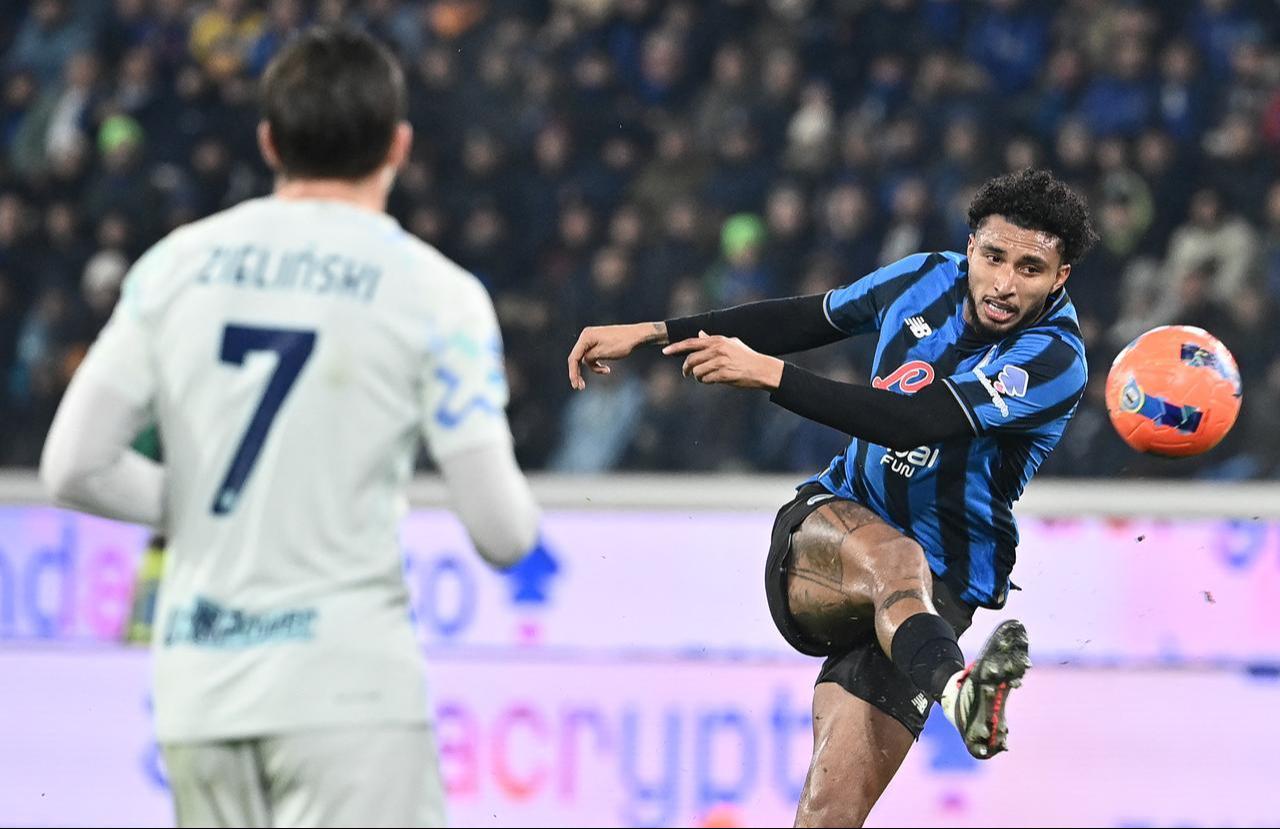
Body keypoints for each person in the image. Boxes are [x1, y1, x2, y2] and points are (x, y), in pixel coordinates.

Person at [40, 26, 540, 828]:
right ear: (399, 145)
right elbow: (503, 531)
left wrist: (201, 504)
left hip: (199, 690)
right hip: (346, 691)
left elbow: (71, 466)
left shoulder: (177, 264)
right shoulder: (435, 292)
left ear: (269, 140)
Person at [568, 168, 1097, 827]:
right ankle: (960, 691)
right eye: (993, 257)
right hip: (834, 531)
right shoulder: (920, 278)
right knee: (894, 556)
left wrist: (770, 377)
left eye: (1030, 267)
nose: (1004, 283)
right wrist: (651, 331)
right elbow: (806, 317)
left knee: (829, 813)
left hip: (936, 600)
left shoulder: (1053, 357)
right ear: (970, 247)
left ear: (1061, 277)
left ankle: (952, 684)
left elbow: (914, 421)